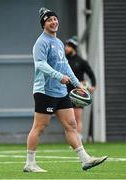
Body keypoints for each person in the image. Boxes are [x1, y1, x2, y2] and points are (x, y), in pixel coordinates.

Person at [23, 7, 107, 173]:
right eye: (49, 20)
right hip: (44, 91)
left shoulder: (59, 43)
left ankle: (85, 160)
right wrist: (57, 76)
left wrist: (78, 84)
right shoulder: (41, 42)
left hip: (61, 92)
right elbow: (40, 64)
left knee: (71, 124)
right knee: (40, 126)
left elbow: (65, 66)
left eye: (55, 19)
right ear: (44, 24)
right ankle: (30, 163)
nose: (53, 22)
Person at [65, 36, 96, 141]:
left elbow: (91, 74)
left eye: (68, 46)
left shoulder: (81, 61)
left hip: (78, 93)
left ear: (73, 47)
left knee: (77, 118)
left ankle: (78, 138)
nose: (65, 48)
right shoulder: (64, 60)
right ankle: (72, 139)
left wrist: (93, 86)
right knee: (69, 119)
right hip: (65, 92)